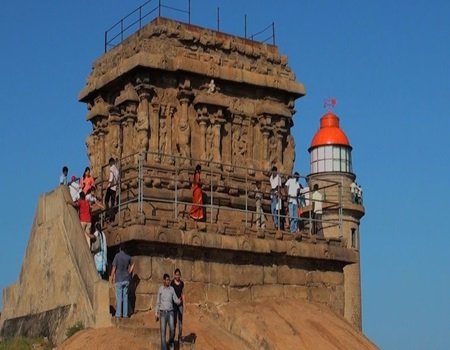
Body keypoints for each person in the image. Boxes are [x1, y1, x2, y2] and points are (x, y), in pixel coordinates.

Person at [155, 273, 181, 350]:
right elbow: (157, 302)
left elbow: (175, 299)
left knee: (172, 329)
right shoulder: (160, 289)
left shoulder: (171, 289)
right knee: (163, 333)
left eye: (169, 280)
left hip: (170, 312)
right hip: (162, 313)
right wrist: (156, 313)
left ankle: (171, 342)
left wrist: (178, 301)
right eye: (167, 280)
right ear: (163, 280)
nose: (168, 281)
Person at [111, 245, 134, 318]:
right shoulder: (128, 256)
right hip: (126, 279)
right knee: (125, 297)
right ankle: (125, 314)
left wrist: (112, 277)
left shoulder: (117, 256)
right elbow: (133, 264)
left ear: (120, 249)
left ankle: (118, 314)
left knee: (119, 298)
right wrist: (129, 272)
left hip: (119, 279)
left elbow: (114, 267)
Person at [170, 268, 185, 343]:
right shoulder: (172, 283)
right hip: (174, 304)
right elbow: (171, 293)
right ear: (174, 275)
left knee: (180, 321)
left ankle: (180, 337)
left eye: (178, 274)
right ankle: (172, 337)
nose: (177, 276)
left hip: (180, 305)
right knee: (174, 321)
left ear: (180, 275)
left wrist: (183, 302)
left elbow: (182, 293)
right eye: (176, 274)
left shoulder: (182, 283)